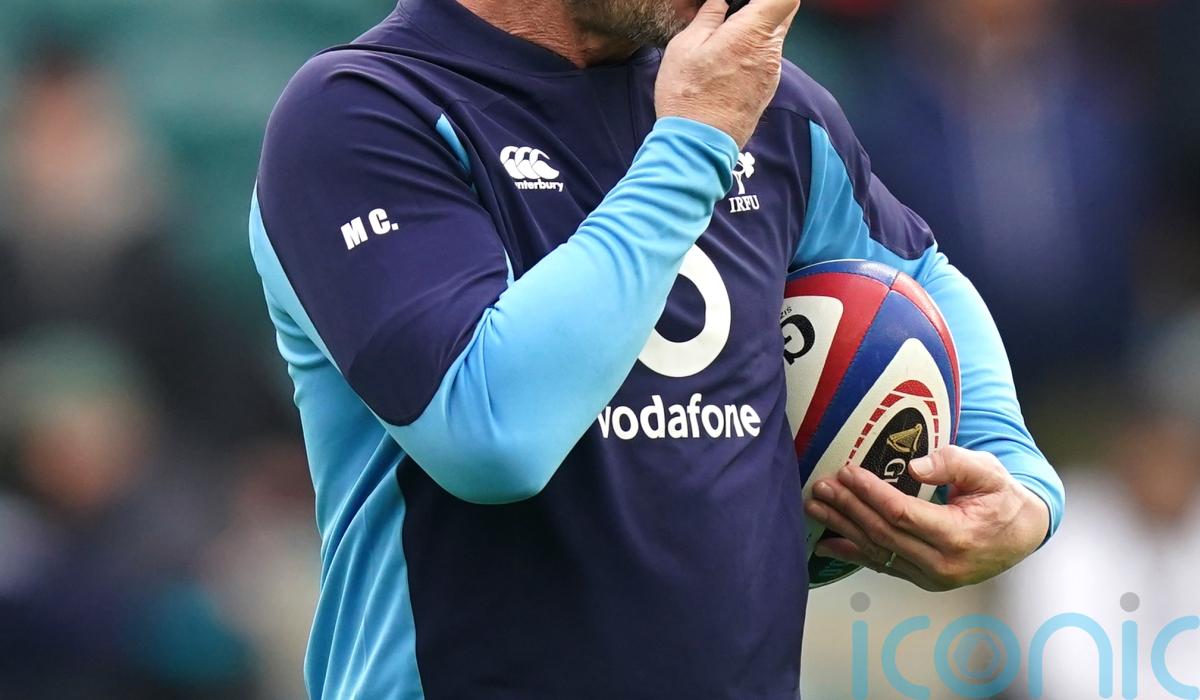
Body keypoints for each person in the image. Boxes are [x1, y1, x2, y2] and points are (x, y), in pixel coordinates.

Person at [249, 0, 1064, 696]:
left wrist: (1016, 474)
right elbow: (489, 432)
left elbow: (917, 273)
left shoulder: (767, 104)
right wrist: (692, 141)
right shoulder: (361, 110)